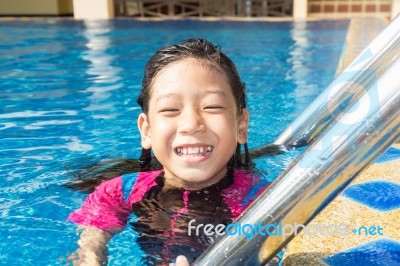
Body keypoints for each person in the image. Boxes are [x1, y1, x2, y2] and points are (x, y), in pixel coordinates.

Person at [67, 38, 267, 265]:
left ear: (241, 126)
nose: (191, 124)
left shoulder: (263, 199)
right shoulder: (119, 192)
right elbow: (89, 250)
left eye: (212, 106)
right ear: (147, 130)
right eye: (171, 109)